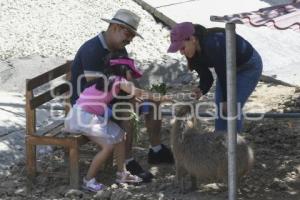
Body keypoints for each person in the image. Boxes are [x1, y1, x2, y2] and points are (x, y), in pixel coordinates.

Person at [70, 9, 174, 182]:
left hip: (110, 97)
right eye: (129, 34)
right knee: (127, 111)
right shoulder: (92, 49)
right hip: (88, 105)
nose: (130, 40)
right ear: (116, 27)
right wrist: (132, 96)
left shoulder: (119, 48)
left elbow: (127, 77)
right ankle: (127, 161)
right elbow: (95, 88)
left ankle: (156, 150)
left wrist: (140, 94)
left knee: (152, 105)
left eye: (133, 36)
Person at [65, 56, 172, 191]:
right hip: (82, 118)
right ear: (123, 70)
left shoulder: (106, 80)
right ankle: (88, 180)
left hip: (91, 117)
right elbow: (139, 92)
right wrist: (161, 98)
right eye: (130, 73)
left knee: (121, 135)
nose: (131, 76)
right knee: (108, 146)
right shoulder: (118, 80)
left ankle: (122, 173)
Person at [167, 22, 263, 132]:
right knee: (221, 107)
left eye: (182, 48)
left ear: (192, 39)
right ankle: (221, 143)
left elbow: (223, 72)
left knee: (231, 106)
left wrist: (227, 100)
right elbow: (207, 77)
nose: (181, 52)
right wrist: (201, 89)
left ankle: (235, 145)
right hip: (228, 70)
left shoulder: (211, 43)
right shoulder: (192, 55)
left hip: (248, 66)